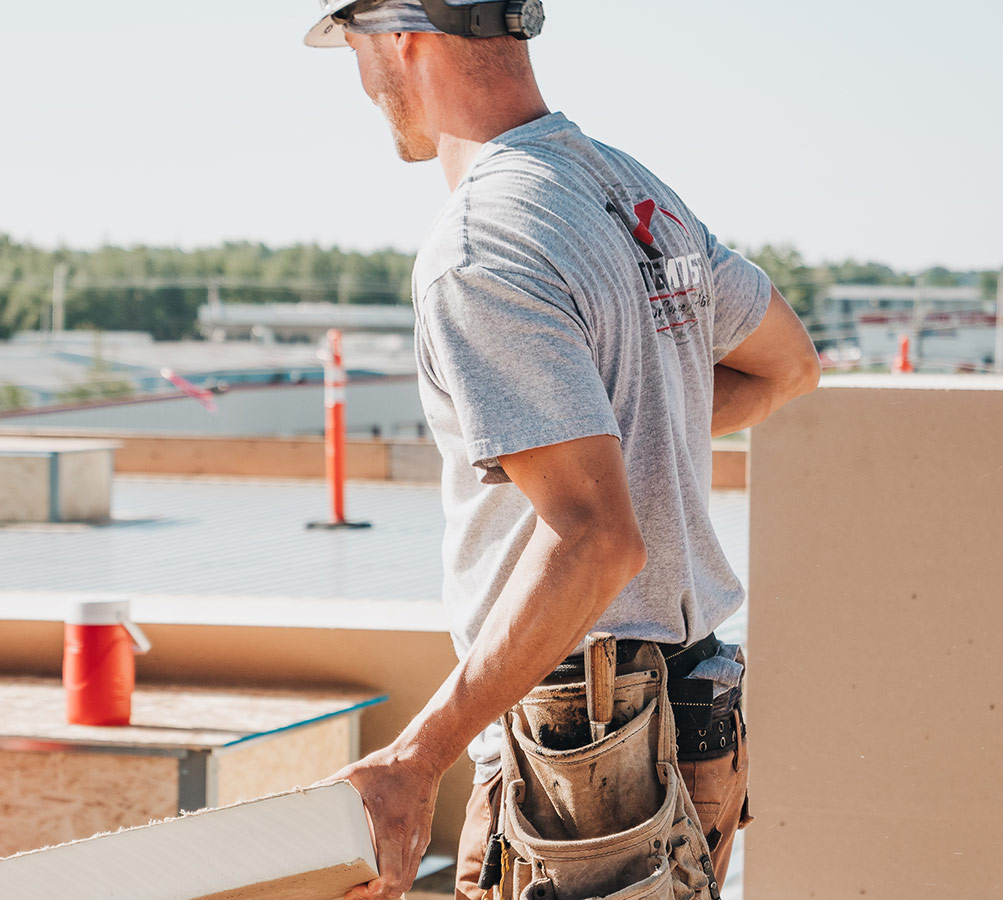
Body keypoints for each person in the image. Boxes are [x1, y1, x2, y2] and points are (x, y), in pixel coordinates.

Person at [304, 2, 822, 898]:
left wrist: (417, 759)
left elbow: (596, 538)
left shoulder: (480, 248)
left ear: (399, 38)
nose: (359, 80)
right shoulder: (630, 194)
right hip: (694, 706)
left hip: (590, 750)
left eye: (350, 47)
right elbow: (788, 367)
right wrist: (618, 429)